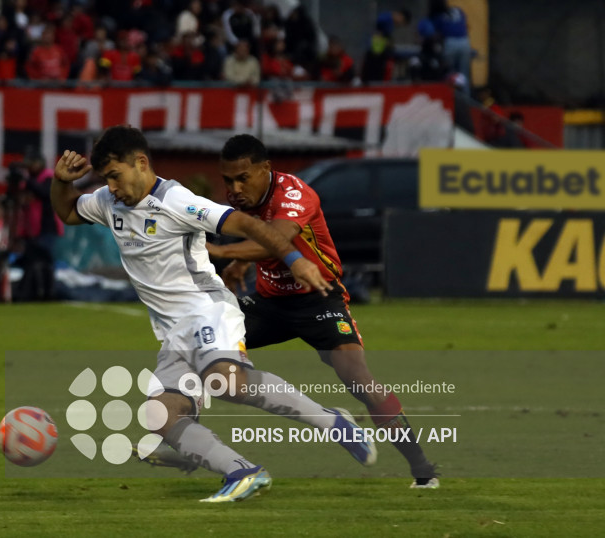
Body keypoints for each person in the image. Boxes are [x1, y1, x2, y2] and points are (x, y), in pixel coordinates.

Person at [50, 126, 376, 502]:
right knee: (162, 415)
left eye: (115, 175)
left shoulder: (178, 201)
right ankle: (243, 472)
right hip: (173, 332)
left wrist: (295, 260)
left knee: (228, 382)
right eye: (105, 178)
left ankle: (331, 422)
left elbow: (247, 224)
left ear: (140, 163)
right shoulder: (110, 201)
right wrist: (61, 182)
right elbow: (69, 212)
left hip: (208, 310)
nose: (112, 186)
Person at [204, 135, 439, 489]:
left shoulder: (295, 194)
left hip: (319, 299)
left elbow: (276, 239)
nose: (234, 188)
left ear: (266, 169)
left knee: (358, 379)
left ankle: (422, 467)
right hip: (269, 304)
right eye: (227, 180)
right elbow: (261, 235)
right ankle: (181, 439)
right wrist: (239, 265)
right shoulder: (249, 200)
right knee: (202, 348)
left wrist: (222, 254)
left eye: (242, 178)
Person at [14, 147, 64, 301]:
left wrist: (26, 181)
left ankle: (48, 291)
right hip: (30, 229)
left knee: (45, 261)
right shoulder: (29, 181)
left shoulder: (48, 177)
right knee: (31, 261)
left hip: (46, 227)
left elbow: (45, 193)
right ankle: (32, 291)